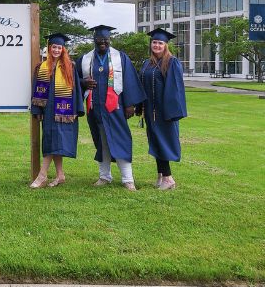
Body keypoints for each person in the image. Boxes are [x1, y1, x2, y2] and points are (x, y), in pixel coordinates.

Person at [76, 25, 146, 191]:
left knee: (120, 139)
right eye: (100, 41)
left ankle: (128, 179)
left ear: (110, 40)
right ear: (94, 40)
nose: (103, 43)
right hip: (95, 107)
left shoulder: (120, 57)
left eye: (106, 41)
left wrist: (129, 104)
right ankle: (104, 176)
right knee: (101, 141)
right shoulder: (86, 59)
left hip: (115, 107)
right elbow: (74, 79)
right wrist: (82, 82)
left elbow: (129, 79)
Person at [30, 33, 85, 188]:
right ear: (49, 48)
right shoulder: (42, 67)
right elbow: (37, 90)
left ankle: (42, 175)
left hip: (65, 112)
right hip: (48, 112)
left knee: (56, 142)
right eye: (54, 47)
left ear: (63, 49)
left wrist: (77, 110)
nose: (56, 50)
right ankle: (60, 175)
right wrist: (37, 109)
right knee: (52, 141)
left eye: (59, 47)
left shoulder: (70, 66)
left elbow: (76, 90)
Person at [137, 28, 187, 190]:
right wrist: (139, 105)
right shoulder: (147, 63)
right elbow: (140, 84)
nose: (156, 45)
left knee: (163, 141)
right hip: (150, 110)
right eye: (154, 42)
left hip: (165, 111)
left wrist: (170, 112)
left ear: (166, 45)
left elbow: (175, 88)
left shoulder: (172, 62)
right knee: (155, 141)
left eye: (160, 43)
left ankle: (168, 178)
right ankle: (160, 175)